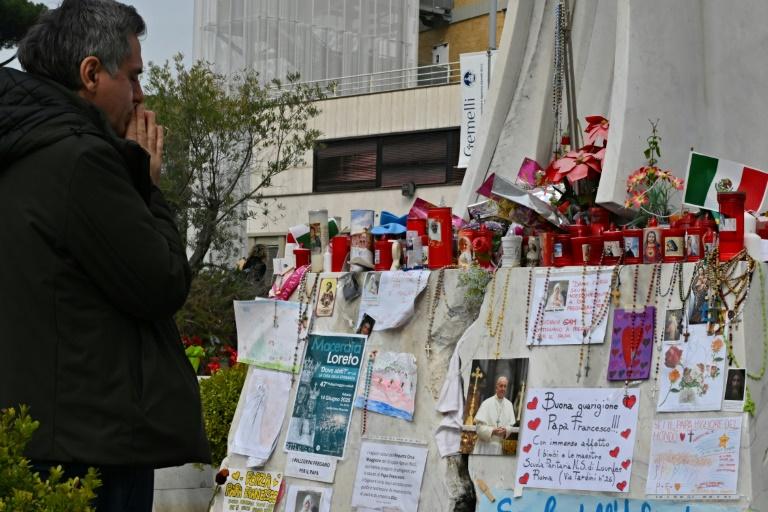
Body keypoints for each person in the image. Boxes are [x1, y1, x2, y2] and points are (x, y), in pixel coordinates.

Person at [0, 2, 210, 510]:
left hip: (26, 437)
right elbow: (160, 283)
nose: (139, 96)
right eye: (134, 77)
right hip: (88, 450)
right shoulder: (81, 160)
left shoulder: (18, 143)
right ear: (91, 73)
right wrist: (147, 185)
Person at [473, 376, 517, 455]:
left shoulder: (509, 405)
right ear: (496, 387)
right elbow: (478, 429)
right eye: (501, 386)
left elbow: (510, 426)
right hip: (484, 447)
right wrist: (492, 431)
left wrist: (506, 430)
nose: (503, 388)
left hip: (498, 448)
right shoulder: (486, 403)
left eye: (505, 386)